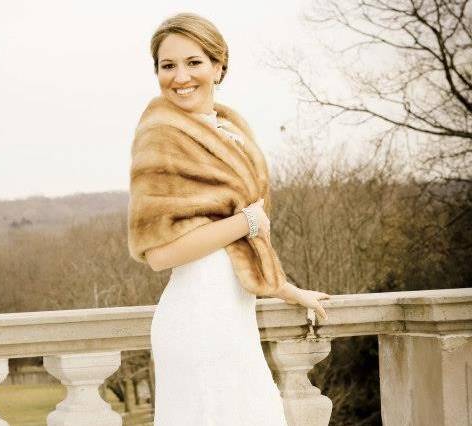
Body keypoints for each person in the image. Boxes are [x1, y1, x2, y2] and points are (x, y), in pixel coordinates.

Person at [127, 12, 331, 425]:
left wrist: (289, 291)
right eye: (168, 65)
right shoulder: (160, 137)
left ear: (219, 66)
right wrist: (247, 223)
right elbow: (160, 255)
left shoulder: (232, 130)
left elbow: (238, 250)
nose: (180, 76)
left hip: (233, 320)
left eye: (194, 62)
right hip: (194, 323)